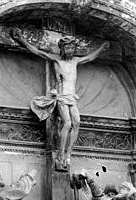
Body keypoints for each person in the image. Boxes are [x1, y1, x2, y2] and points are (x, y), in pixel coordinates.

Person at [12, 28, 109, 170]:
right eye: (67, 47)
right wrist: (21, 39)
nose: (70, 50)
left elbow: (89, 58)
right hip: (62, 97)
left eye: (72, 47)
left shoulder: (75, 61)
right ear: (62, 49)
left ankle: (68, 154)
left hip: (72, 97)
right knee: (68, 123)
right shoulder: (56, 60)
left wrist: (101, 49)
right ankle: (61, 155)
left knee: (77, 122)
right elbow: (39, 52)